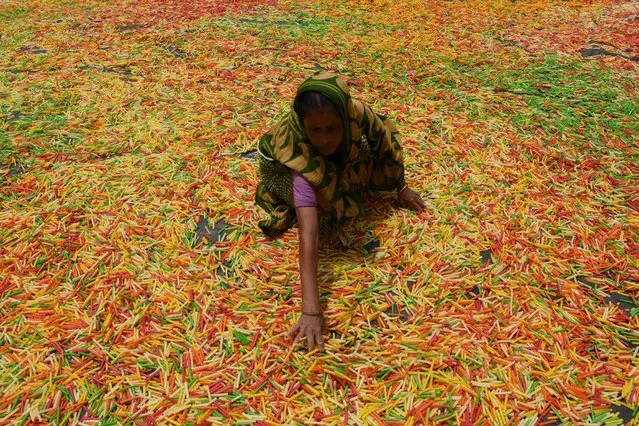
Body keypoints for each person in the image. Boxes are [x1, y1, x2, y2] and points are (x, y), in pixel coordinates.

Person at [255, 72, 426, 352]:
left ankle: (337, 178)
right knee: (325, 211)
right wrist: (312, 310)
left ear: (346, 118)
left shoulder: (359, 113)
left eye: (334, 129)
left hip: (346, 144)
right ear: (303, 125)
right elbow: (308, 234)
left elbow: (385, 140)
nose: (324, 140)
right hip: (278, 171)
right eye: (316, 130)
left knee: (362, 174)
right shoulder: (299, 151)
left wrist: (401, 187)